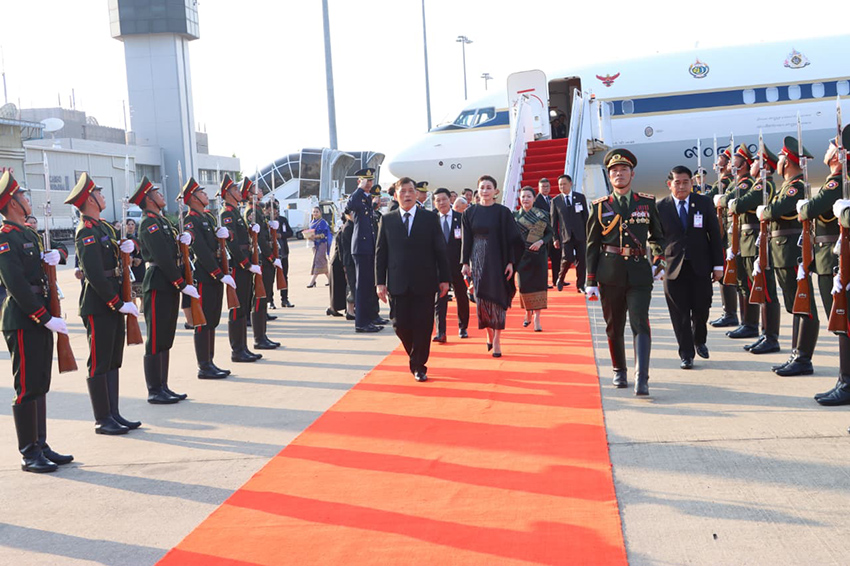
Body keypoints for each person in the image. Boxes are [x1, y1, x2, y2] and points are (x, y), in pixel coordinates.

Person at [0, 172, 72, 473]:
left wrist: (59, 254)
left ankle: (40, 444)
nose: (27, 200)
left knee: (40, 382)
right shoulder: (5, 238)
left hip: (41, 314)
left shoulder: (29, 234)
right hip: (23, 318)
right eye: (23, 196)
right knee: (27, 386)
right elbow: (15, 284)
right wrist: (44, 318)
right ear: (12, 203)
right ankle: (29, 452)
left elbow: (50, 259)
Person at [66, 172, 142, 434]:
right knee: (99, 361)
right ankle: (102, 419)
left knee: (112, 359)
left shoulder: (105, 228)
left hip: (114, 299)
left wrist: (127, 249)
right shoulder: (85, 232)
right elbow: (95, 274)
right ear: (90, 199)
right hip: (98, 304)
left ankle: (114, 413)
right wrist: (115, 302)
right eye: (98, 193)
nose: (103, 196)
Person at [585, 149, 665, 395]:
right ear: (609, 176)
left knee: (640, 322)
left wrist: (658, 260)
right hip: (610, 273)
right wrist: (590, 281)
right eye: (614, 171)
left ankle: (642, 377)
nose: (619, 174)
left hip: (640, 273)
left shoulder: (646, 203)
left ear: (632, 174)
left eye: (624, 170)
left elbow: (658, 237)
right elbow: (592, 245)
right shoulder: (600, 206)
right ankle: (619, 370)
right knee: (614, 324)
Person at [132, 176, 199, 403]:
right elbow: (162, 257)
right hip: (159, 282)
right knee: (156, 338)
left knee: (166, 337)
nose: (162, 196)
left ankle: (164, 386)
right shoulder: (148, 224)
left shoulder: (161, 221)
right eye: (157, 193)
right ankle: (154, 389)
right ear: (149, 199)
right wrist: (181, 283)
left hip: (168, 282)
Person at [376, 177, 450, 382]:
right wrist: (380, 282)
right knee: (399, 324)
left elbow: (440, 250)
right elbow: (381, 253)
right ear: (395, 195)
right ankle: (414, 356)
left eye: (411, 191)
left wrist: (445, 278)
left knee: (423, 325)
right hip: (397, 282)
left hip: (425, 282)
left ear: (417, 194)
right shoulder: (387, 220)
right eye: (403, 191)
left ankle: (419, 365)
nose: (407, 195)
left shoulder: (429, 218)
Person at [760, 136, 819, 377]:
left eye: (781, 157)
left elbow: (775, 210)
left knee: (804, 305)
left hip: (792, 251)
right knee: (796, 306)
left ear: (787, 162)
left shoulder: (797, 186)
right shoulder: (787, 186)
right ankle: (796, 354)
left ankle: (803, 358)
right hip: (782, 251)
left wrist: (766, 211)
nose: (778, 161)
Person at [657, 165, 724, 369]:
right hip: (672, 267)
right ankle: (686, 354)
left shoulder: (703, 203)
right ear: (669, 184)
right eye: (677, 182)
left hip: (700, 265)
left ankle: (699, 339)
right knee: (679, 313)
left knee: (702, 307)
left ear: (692, 183)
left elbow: (715, 235)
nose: (682, 186)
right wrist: (658, 263)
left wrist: (718, 265)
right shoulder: (660, 207)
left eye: (686, 182)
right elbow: (655, 239)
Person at [461, 175, 523, 357]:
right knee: (482, 301)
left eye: (489, 187)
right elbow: (466, 240)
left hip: (499, 259)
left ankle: (497, 339)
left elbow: (513, 240)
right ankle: (489, 332)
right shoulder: (469, 213)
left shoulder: (503, 212)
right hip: (478, 260)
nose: (485, 191)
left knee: (497, 300)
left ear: (496, 191)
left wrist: (511, 262)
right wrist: (465, 263)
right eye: (482, 187)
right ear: (477, 190)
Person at [181, 177, 237, 378]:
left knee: (212, 320)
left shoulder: (209, 217)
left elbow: (220, 240)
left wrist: (227, 234)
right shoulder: (190, 220)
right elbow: (201, 251)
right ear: (193, 198)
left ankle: (210, 361)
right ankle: (203, 366)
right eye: (202, 193)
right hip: (205, 274)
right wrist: (218, 273)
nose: (206, 195)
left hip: (215, 272)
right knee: (203, 321)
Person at [816, 124, 850, 406]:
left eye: (832, 146)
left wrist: (845, 212)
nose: (827, 150)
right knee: (843, 322)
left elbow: (812, 209)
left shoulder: (840, 180)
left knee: (845, 322)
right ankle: (845, 380)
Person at [741, 145, 781, 355]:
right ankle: (765, 335)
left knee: (767, 291)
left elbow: (740, 204)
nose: (752, 164)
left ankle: (771, 337)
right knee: (760, 289)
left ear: (764, 166)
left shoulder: (763, 185)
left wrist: (733, 202)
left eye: (756, 161)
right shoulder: (757, 184)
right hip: (752, 240)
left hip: (760, 241)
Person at [219, 174, 262, 363]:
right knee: (237, 308)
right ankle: (237, 350)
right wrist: (246, 263)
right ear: (228, 194)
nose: (239, 192)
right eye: (235, 190)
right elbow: (232, 244)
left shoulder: (236, 212)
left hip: (245, 262)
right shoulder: (226, 214)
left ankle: (243, 347)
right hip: (238, 265)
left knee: (244, 306)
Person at [719, 145, 759, 340]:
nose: (730, 164)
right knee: (742, 282)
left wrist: (723, 200)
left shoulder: (746, 183)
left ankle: (751, 325)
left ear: (744, 164)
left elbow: (730, 201)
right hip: (738, 237)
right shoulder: (738, 183)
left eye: (735, 161)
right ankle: (746, 323)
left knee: (749, 283)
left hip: (748, 238)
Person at [242, 178, 280, 350]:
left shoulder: (258, 209)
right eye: (256, 189)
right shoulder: (252, 211)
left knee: (263, 297)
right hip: (261, 258)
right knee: (259, 296)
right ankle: (259, 338)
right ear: (250, 193)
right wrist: (271, 257)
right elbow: (260, 240)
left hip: (265, 257)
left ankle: (262, 335)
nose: (260, 190)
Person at [346, 168, 385, 333]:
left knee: (368, 286)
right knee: (362, 287)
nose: (369, 183)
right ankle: (361, 323)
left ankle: (369, 319)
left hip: (368, 247)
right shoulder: (357, 196)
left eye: (370, 180)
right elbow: (350, 205)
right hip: (361, 248)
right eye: (366, 180)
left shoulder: (366, 198)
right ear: (359, 181)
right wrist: (359, 188)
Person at [432, 187, 469, 342]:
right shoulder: (431, 220)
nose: (442, 203)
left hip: (457, 265)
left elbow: (466, 243)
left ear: (450, 200)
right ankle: (441, 332)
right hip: (439, 267)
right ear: (434, 203)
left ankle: (463, 327)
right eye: (438, 200)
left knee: (461, 296)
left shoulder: (461, 218)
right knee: (439, 299)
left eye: (444, 199)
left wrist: (466, 263)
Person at [707, 148, 739, 328]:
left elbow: (710, 198)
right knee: (724, 275)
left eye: (719, 164)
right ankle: (729, 312)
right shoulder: (722, 182)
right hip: (724, 232)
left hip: (728, 233)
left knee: (728, 274)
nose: (716, 167)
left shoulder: (726, 182)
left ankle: (731, 314)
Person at [515, 186, 553, 332]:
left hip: (538, 255)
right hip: (522, 257)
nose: (525, 199)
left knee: (539, 286)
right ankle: (528, 311)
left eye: (528, 196)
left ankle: (537, 317)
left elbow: (550, 233)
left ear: (534, 198)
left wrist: (541, 241)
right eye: (523, 196)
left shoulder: (542, 214)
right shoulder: (514, 216)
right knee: (524, 286)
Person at [550, 174, 588, 292]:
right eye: (560, 185)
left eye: (564, 184)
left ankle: (580, 285)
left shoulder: (580, 197)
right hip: (565, 236)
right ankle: (560, 278)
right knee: (567, 258)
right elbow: (553, 222)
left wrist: (588, 233)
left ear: (570, 184)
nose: (562, 187)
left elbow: (585, 217)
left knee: (582, 261)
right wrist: (555, 238)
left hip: (580, 235)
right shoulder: (556, 201)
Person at [533, 178, 558, 287]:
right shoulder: (536, 201)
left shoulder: (551, 200)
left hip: (552, 233)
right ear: (539, 188)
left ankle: (557, 280)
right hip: (542, 234)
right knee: (542, 260)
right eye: (543, 187)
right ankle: (542, 282)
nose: (545, 188)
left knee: (556, 257)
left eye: (547, 186)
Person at [271, 199, 295, 308]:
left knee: (284, 276)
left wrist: (281, 235)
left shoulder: (283, 220)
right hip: (272, 254)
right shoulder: (266, 221)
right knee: (270, 278)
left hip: (283, 252)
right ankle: (270, 300)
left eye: (276, 208)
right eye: (273, 208)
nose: (276, 211)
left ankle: (284, 299)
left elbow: (290, 232)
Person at [327, 211, 348, 317]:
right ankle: (333, 308)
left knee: (342, 287)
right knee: (336, 288)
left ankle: (343, 307)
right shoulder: (343, 231)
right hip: (337, 262)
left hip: (340, 261)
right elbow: (340, 250)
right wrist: (344, 264)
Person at [307, 206, 332, 288]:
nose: (315, 213)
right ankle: (330, 280)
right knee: (321, 261)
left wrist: (316, 236)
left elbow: (324, 234)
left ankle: (312, 281)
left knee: (318, 260)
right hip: (314, 244)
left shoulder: (322, 222)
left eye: (317, 212)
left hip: (321, 244)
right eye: (314, 212)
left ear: (320, 213)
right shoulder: (311, 222)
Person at [125, 218, 145, 303]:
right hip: (130, 266)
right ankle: (134, 305)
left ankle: (142, 306)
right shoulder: (124, 238)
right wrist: (131, 259)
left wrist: (141, 259)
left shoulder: (139, 237)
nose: (130, 226)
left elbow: (145, 250)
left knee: (141, 289)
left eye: (132, 224)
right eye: (128, 224)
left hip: (140, 265)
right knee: (131, 291)